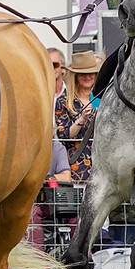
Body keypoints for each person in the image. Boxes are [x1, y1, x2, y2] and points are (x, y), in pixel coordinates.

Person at [58, 49, 100, 183]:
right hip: (77, 168)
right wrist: (81, 120)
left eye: (91, 73)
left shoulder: (106, 99)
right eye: (82, 74)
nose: (87, 77)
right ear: (75, 76)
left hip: (103, 167)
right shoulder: (64, 101)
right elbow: (62, 135)